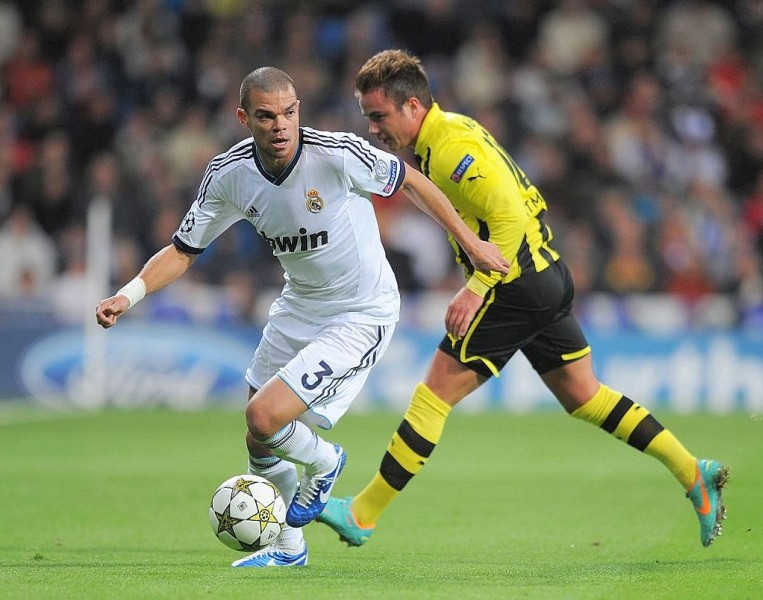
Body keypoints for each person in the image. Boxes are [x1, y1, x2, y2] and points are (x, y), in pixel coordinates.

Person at [95, 66, 509, 568]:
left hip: (361, 311)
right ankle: (289, 549)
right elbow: (184, 250)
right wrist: (129, 294)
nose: (280, 125)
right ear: (244, 118)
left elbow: (413, 183)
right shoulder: (229, 176)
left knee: (262, 417)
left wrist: (472, 243)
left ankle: (326, 461)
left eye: (289, 113)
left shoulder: (335, 155)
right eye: (266, 116)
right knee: (258, 437)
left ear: (299, 111)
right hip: (300, 306)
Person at [317, 49, 729, 549]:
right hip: (545, 275)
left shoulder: (449, 148)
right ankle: (693, 474)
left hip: (515, 283)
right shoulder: (442, 138)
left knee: (434, 394)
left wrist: (475, 288)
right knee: (585, 395)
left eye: (378, 117)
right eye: (368, 118)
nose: (373, 129)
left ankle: (362, 513)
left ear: (411, 107)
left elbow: (508, 217)